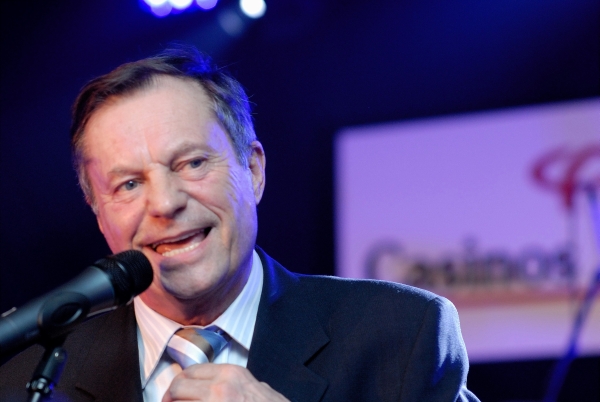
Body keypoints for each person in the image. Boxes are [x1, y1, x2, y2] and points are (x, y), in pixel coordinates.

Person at [0, 46, 479, 402]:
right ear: (96, 210)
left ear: (252, 171)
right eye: (128, 184)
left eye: (192, 163)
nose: (164, 203)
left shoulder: (400, 335)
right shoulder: (19, 381)